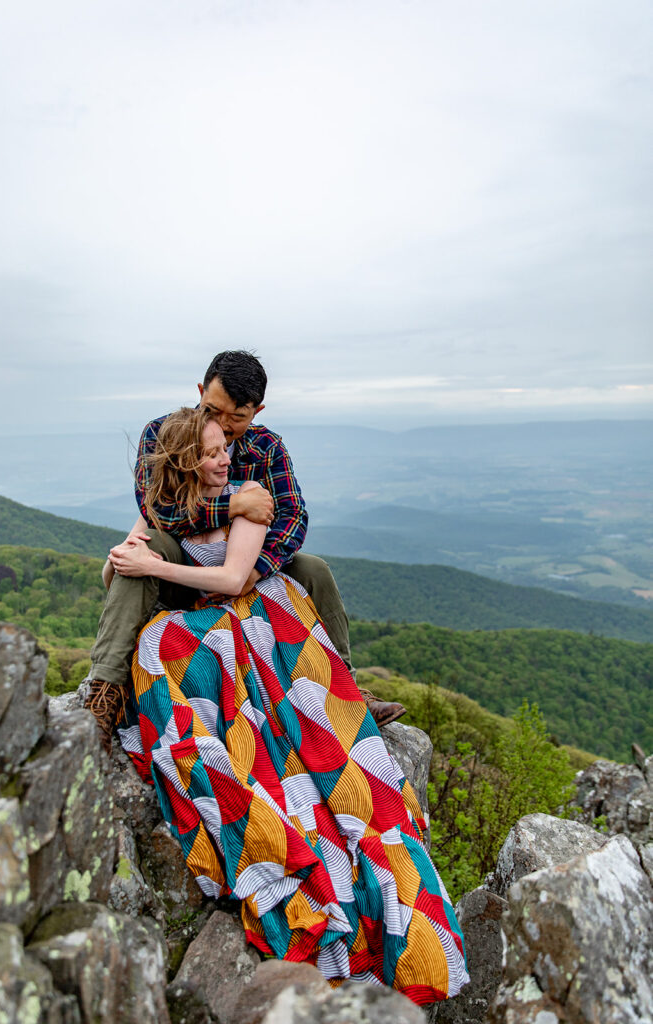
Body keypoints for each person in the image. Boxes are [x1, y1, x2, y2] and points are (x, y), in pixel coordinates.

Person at [110, 405, 469, 1005]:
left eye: (228, 444)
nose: (229, 457)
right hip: (219, 621)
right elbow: (121, 571)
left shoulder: (249, 496)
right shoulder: (167, 513)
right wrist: (126, 557)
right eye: (215, 449)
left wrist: (153, 565)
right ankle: (138, 708)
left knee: (308, 760)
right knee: (158, 644)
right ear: (186, 461)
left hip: (264, 615)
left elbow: (231, 579)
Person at [86, 351, 405, 751]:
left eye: (237, 417)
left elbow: (292, 517)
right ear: (200, 392)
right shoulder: (165, 432)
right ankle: (105, 693)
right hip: (184, 555)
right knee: (148, 550)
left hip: (242, 567)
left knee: (314, 570)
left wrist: (255, 569)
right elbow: (158, 510)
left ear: (257, 411)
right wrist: (233, 506)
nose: (222, 424)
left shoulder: (265, 447)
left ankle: (345, 686)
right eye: (213, 410)